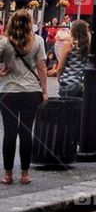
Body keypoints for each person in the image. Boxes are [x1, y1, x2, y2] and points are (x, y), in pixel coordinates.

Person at [0, 10, 48, 185]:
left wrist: (2, 71)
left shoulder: (4, 42)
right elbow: (42, 67)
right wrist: (44, 91)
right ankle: (25, 174)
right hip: (31, 91)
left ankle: (7, 174)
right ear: (30, 23)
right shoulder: (38, 41)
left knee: (9, 132)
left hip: (8, 91)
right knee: (26, 131)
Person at [50, 19, 89, 99]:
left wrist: (59, 78)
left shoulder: (68, 45)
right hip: (83, 84)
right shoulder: (88, 46)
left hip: (68, 84)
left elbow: (60, 66)